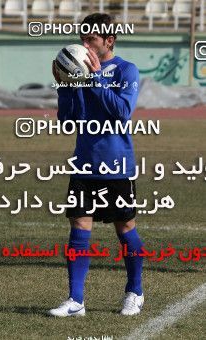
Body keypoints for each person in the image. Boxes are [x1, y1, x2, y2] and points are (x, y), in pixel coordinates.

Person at [48, 13, 144, 317]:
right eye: (83, 39)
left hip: (116, 164)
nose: (85, 45)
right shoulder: (79, 72)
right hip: (84, 164)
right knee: (79, 225)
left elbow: (122, 112)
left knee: (125, 227)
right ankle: (76, 300)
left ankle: (135, 291)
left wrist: (95, 78)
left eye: (91, 40)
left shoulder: (127, 70)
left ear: (109, 41)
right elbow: (67, 122)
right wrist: (66, 87)